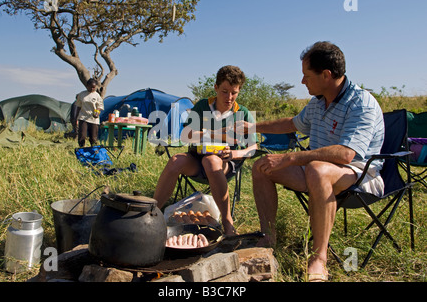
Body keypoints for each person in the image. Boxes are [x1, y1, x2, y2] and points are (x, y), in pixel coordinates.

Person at [236, 41, 384, 281]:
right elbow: (291, 124)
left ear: (326, 75)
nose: (302, 81)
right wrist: (252, 126)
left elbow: (347, 154)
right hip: (315, 170)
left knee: (317, 170)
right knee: (262, 166)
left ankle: (319, 258)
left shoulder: (361, 103)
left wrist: (292, 157)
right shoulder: (318, 102)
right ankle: (269, 238)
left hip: (359, 174)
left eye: (306, 75)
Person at [153, 65, 258, 236]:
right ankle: (152, 211)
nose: (229, 97)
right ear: (216, 88)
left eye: (234, 93)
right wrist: (218, 133)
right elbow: (186, 135)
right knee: (175, 160)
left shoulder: (243, 113)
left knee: (211, 160)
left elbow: (253, 148)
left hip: (224, 163)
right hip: (196, 159)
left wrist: (235, 153)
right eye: (224, 91)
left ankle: (227, 221)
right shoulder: (203, 106)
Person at [76, 78, 104, 147]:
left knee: (93, 137)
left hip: (93, 118)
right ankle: (81, 149)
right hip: (83, 117)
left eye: (94, 87)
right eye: (91, 87)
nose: (92, 89)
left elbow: (100, 105)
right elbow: (78, 106)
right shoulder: (82, 94)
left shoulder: (97, 95)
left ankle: (93, 149)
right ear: (87, 86)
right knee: (82, 135)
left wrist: (97, 112)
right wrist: (76, 118)